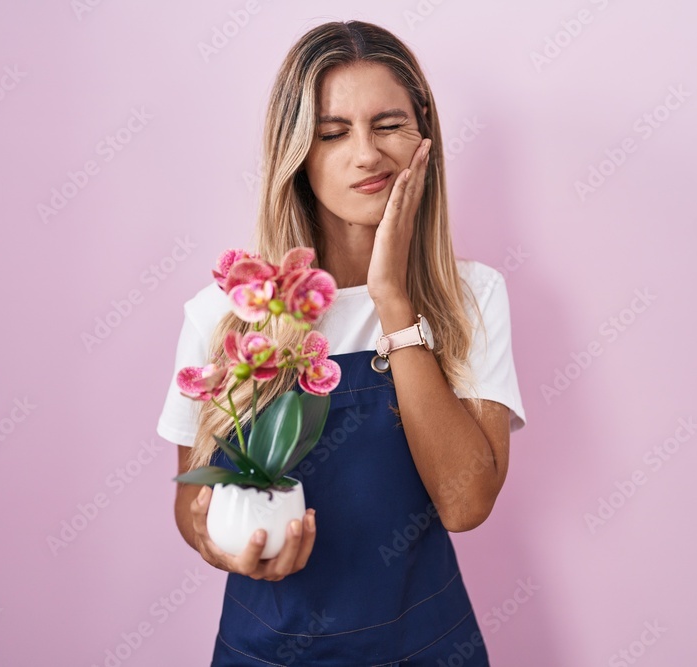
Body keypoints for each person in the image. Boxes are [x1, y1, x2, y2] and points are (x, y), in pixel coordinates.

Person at [156, 19, 526, 666]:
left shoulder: (472, 298)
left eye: (388, 125)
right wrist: (220, 545)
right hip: (267, 651)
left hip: (429, 647)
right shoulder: (231, 310)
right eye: (333, 133)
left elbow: (466, 503)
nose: (366, 154)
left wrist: (393, 300)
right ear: (297, 151)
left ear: (424, 139)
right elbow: (193, 499)